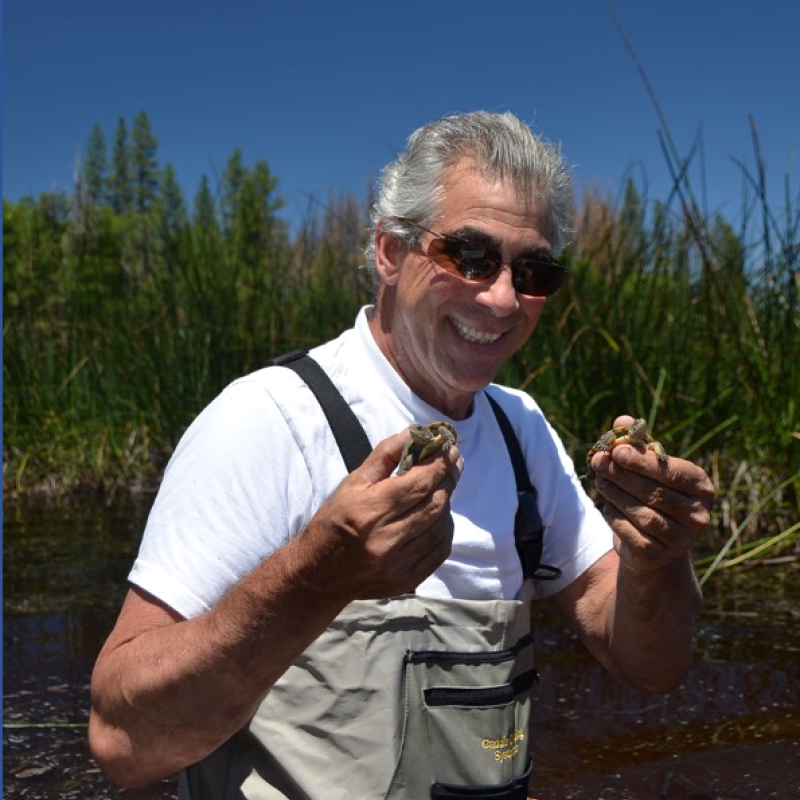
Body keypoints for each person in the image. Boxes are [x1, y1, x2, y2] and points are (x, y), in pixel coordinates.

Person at [89, 111, 714, 799]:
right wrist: (318, 576)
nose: (503, 298)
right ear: (389, 250)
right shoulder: (269, 419)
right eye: (470, 257)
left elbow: (650, 668)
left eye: (534, 271)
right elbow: (125, 744)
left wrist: (657, 559)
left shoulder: (521, 430)